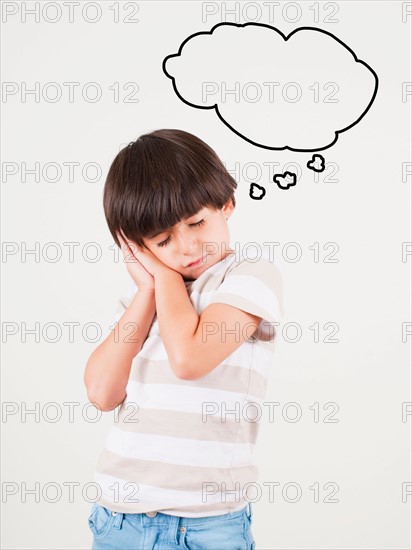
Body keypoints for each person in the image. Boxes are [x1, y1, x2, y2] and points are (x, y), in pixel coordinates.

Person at [83, 128, 284, 549]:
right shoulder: (149, 297)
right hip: (120, 520)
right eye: (162, 240)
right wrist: (146, 291)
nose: (188, 246)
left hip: (206, 526)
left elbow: (189, 359)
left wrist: (163, 274)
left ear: (227, 204)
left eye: (197, 222)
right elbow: (102, 393)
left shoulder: (248, 277)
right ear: (137, 247)